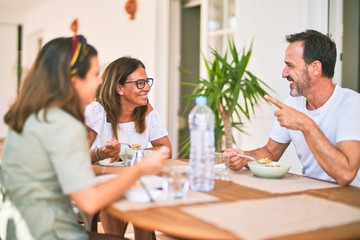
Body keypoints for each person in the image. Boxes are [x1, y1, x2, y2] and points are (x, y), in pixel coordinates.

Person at [0, 34, 168, 240]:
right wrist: (139, 171)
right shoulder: (63, 124)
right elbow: (89, 201)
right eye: (95, 74)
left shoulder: (34, 116)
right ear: (73, 81)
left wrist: (101, 155)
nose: (100, 82)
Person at [225, 29, 360, 187]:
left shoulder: (352, 104)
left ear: (315, 68)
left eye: (290, 65)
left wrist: (306, 125)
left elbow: (346, 174)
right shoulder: (291, 104)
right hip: (311, 192)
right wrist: (244, 157)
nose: (284, 73)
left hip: (350, 199)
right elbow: (270, 152)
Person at [84, 56, 172, 239]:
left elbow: (165, 149)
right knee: (114, 194)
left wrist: (125, 153)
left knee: (145, 193)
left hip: (137, 181)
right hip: (103, 182)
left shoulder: (146, 110)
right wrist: (102, 152)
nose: (147, 88)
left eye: (147, 82)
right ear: (119, 88)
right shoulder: (97, 111)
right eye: (140, 83)